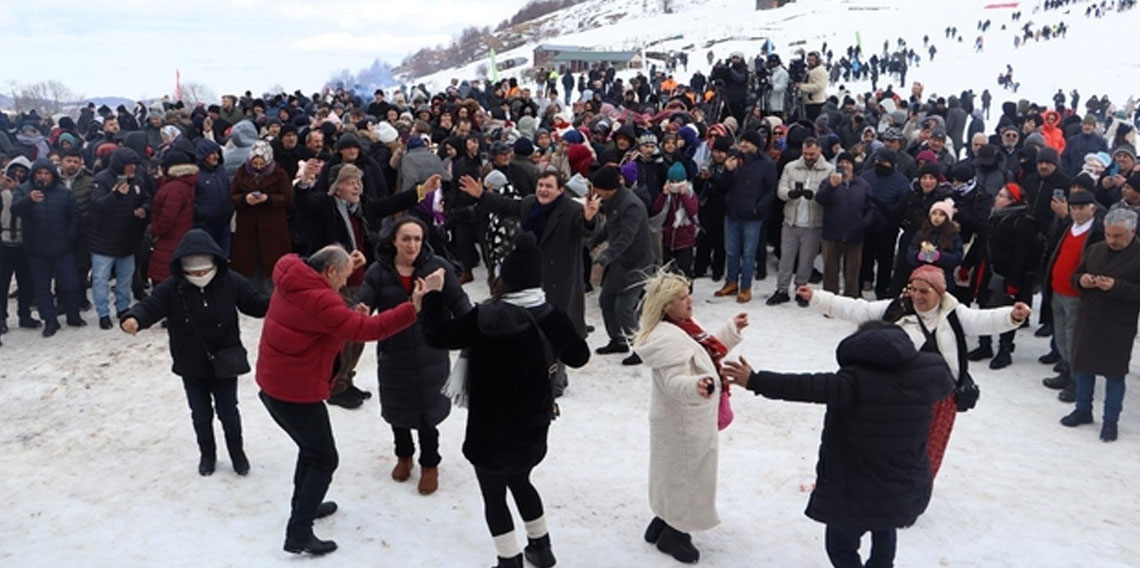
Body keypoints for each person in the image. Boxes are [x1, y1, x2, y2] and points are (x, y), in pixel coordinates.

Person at [722, 320, 955, 568]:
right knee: (885, 525)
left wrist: (755, 380)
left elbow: (803, 387)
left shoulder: (854, 383)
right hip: (900, 481)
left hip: (853, 487)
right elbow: (947, 381)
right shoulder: (925, 376)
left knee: (840, 546)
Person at [421, 232, 590, 568]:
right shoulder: (552, 315)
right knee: (521, 479)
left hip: (490, 427)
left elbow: (436, 336)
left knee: (494, 493)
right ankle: (541, 548)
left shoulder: (486, 316)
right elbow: (580, 356)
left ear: (506, 280)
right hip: (534, 423)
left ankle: (508, 560)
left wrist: (432, 296)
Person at [257, 244, 436, 556]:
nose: (345, 283)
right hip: (294, 393)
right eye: (342, 277)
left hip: (275, 385)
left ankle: (306, 507)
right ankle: (298, 532)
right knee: (324, 459)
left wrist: (349, 312)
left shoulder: (293, 275)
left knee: (311, 451)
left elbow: (324, 324)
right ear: (328, 272)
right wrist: (413, 307)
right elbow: (366, 330)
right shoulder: (321, 299)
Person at [796, 265, 1030, 478]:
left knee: (929, 450)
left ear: (939, 292)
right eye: (913, 289)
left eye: (924, 291)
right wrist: (817, 297)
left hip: (939, 397)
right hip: (898, 393)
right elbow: (858, 309)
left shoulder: (955, 314)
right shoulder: (896, 308)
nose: (917, 296)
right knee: (894, 444)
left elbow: (984, 320)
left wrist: (1012, 315)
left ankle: (916, 492)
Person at [120, 230, 268, 475]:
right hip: (191, 364)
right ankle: (207, 455)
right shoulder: (172, 288)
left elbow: (255, 303)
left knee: (229, 413)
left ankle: (237, 453)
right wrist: (134, 318)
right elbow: (150, 307)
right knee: (200, 415)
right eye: (193, 273)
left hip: (225, 362)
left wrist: (281, 302)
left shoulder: (231, 281)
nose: (200, 276)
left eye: (204, 271)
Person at [633, 270, 747, 564]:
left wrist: (730, 330)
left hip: (683, 421)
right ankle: (676, 533)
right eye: (682, 298)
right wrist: (696, 386)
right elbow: (674, 380)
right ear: (666, 305)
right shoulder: (668, 339)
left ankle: (661, 520)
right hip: (684, 422)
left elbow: (704, 355)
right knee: (686, 477)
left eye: (688, 295)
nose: (690, 301)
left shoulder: (682, 329)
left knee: (671, 475)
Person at [355, 217, 472, 494]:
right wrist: (358, 309)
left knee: (428, 413)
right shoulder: (378, 271)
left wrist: (472, 329)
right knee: (398, 408)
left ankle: (430, 463)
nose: (412, 245)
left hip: (431, 351)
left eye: (417, 239)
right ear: (394, 240)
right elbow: (364, 302)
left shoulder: (439, 268)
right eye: (406, 238)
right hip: (394, 351)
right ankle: (403, 456)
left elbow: (461, 305)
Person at [459, 170, 600, 396]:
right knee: (535, 331)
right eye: (541, 185)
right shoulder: (529, 204)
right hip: (532, 280)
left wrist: (589, 219)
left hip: (559, 281)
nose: (543, 190)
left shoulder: (572, 210)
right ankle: (539, 374)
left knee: (557, 329)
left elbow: (585, 231)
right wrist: (481, 195)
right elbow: (505, 205)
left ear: (560, 190)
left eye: (549, 186)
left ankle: (557, 381)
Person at [1060, 208, 1140, 442]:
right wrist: (1082, 281)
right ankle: (1083, 409)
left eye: (1118, 236)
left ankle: (1110, 421)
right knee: (1084, 368)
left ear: (1132, 232)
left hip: (1118, 325)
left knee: (1114, 376)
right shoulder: (1096, 249)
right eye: (1108, 235)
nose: (1112, 240)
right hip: (1089, 319)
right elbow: (1076, 276)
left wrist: (1116, 286)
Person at [10, 159, 85, 337]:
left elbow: (75, 216)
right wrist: (29, 200)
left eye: (46, 173)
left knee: (70, 284)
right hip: (37, 250)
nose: (43, 177)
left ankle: (73, 314)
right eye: (39, 173)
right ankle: (50, 320)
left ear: (52, 175)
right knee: (42, 287)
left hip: (63, 248)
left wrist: (70, 236)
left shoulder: (63, 192)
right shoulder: (24, 190)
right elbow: (15, 210)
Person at [588, 165, 654, 365]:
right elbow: (610, 228)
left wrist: (606, 256)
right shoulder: (612, 201)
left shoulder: (631, 205)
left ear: (608, 188)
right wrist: (592, 241)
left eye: (597, 188)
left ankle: (640, 347)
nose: (594, 192)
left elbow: (626, 237)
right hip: (619, 263)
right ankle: (618, 340)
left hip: (637, 263)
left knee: (624, 307)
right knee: (606, 300)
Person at [968, 184, 1038, 369]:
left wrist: (1014, 282)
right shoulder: (993, 216)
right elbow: (980, 242)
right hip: (987, 270)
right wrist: (967, 265)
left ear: (1012, 201)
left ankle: (1005, 349)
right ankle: (984, 345)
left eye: (1002, 196)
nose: (997, 198)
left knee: (1007, 310)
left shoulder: (1023, 222)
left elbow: (1021, 256)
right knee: (984, 306)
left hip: (1007, 274)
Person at [769, 139, 833, 306]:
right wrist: (791, 193)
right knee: (786, 259)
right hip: (791, 220)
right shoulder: (791, 167)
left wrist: (817, 195)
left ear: (819, 151)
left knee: (806, 260)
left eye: (811, 154)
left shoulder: (828, 170)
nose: (808, 157)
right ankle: (782, 289)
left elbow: (830, 195)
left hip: (813, 223)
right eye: (805, 154)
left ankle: (801, 289)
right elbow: (780, 190)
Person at [230, 140, 293, 291]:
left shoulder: (279, 174)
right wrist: (245, 199)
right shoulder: (242, 172)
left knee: (271, 263)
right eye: (255, 163)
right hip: (247, 228)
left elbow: (288, 197)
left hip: (272, 228)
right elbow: (232, 196)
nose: (258, 167)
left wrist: (268, 199)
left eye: (261, 163)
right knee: (248, 262)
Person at [817, 153, 874, 297]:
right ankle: (829, 300)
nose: (845, 165)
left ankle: (850, 300)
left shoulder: (862, 184)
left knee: (852, 272)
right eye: (841, 162)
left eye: (848, 162)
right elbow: (820, 199)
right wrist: (831, 186)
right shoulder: (828, 181)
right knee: (830, 270)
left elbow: (871, 206)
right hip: (832, 233)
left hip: (855, 234)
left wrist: (865, 222)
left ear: (853, 166)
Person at [651, 162, 700, 277]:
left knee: (684, 272)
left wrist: (683, 196)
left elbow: (692, 211)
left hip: (685, 239)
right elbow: (656, 210)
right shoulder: (667, 195)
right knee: (667, 272)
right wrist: (663, 195)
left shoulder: (690, 194)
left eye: (678, 181)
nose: (675, 185)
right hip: (668, 238)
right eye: (672, 181)